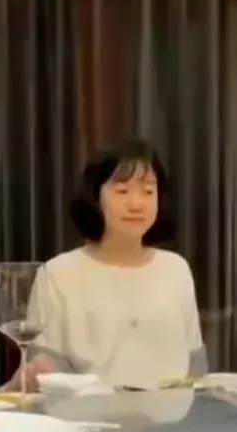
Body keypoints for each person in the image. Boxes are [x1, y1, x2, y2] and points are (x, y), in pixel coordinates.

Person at [11, 140, 207, 391]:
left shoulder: (176, 270)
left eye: (148, 191)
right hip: (87, 413)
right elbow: (44, 375)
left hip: (174, 414)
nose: (136, 203)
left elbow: (196, 367)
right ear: (96, 197)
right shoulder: (58, 274)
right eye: (122, 191)